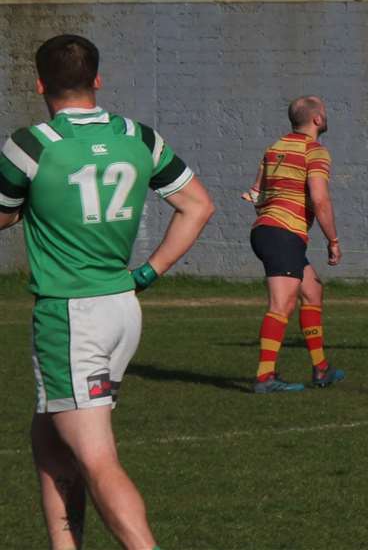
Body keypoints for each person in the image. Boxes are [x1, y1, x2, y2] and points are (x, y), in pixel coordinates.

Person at [0, 35, 214, 550]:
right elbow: (198, 206)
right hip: (122, 308)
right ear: (97, 80)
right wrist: (149, 272)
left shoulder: (31, 144)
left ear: (39, 85)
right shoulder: (138, 137)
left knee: (96, 459)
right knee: (49, 442)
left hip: (71, 316)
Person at [244, 95, 346, 393]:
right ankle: (265, 377)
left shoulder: (274, 148)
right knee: (282, 304)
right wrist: (333, 241)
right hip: (282, 234)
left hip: (268, 231)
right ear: (316, 120)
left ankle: (321, 369)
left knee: (312, 291)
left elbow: (255, 196)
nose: (326, 117)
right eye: (324, 113)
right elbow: (320, 199)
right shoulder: (315, 151)